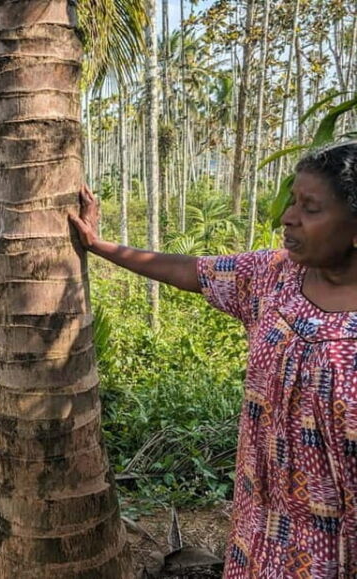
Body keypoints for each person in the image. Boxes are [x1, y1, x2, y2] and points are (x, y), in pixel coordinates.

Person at [70, 142, 357, 578]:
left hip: (334, 546)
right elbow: (193, 272)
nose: (289, 218)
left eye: (311, 208)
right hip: (260, 525)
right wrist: (100, 245)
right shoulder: (273, 277)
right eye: (293, 202)